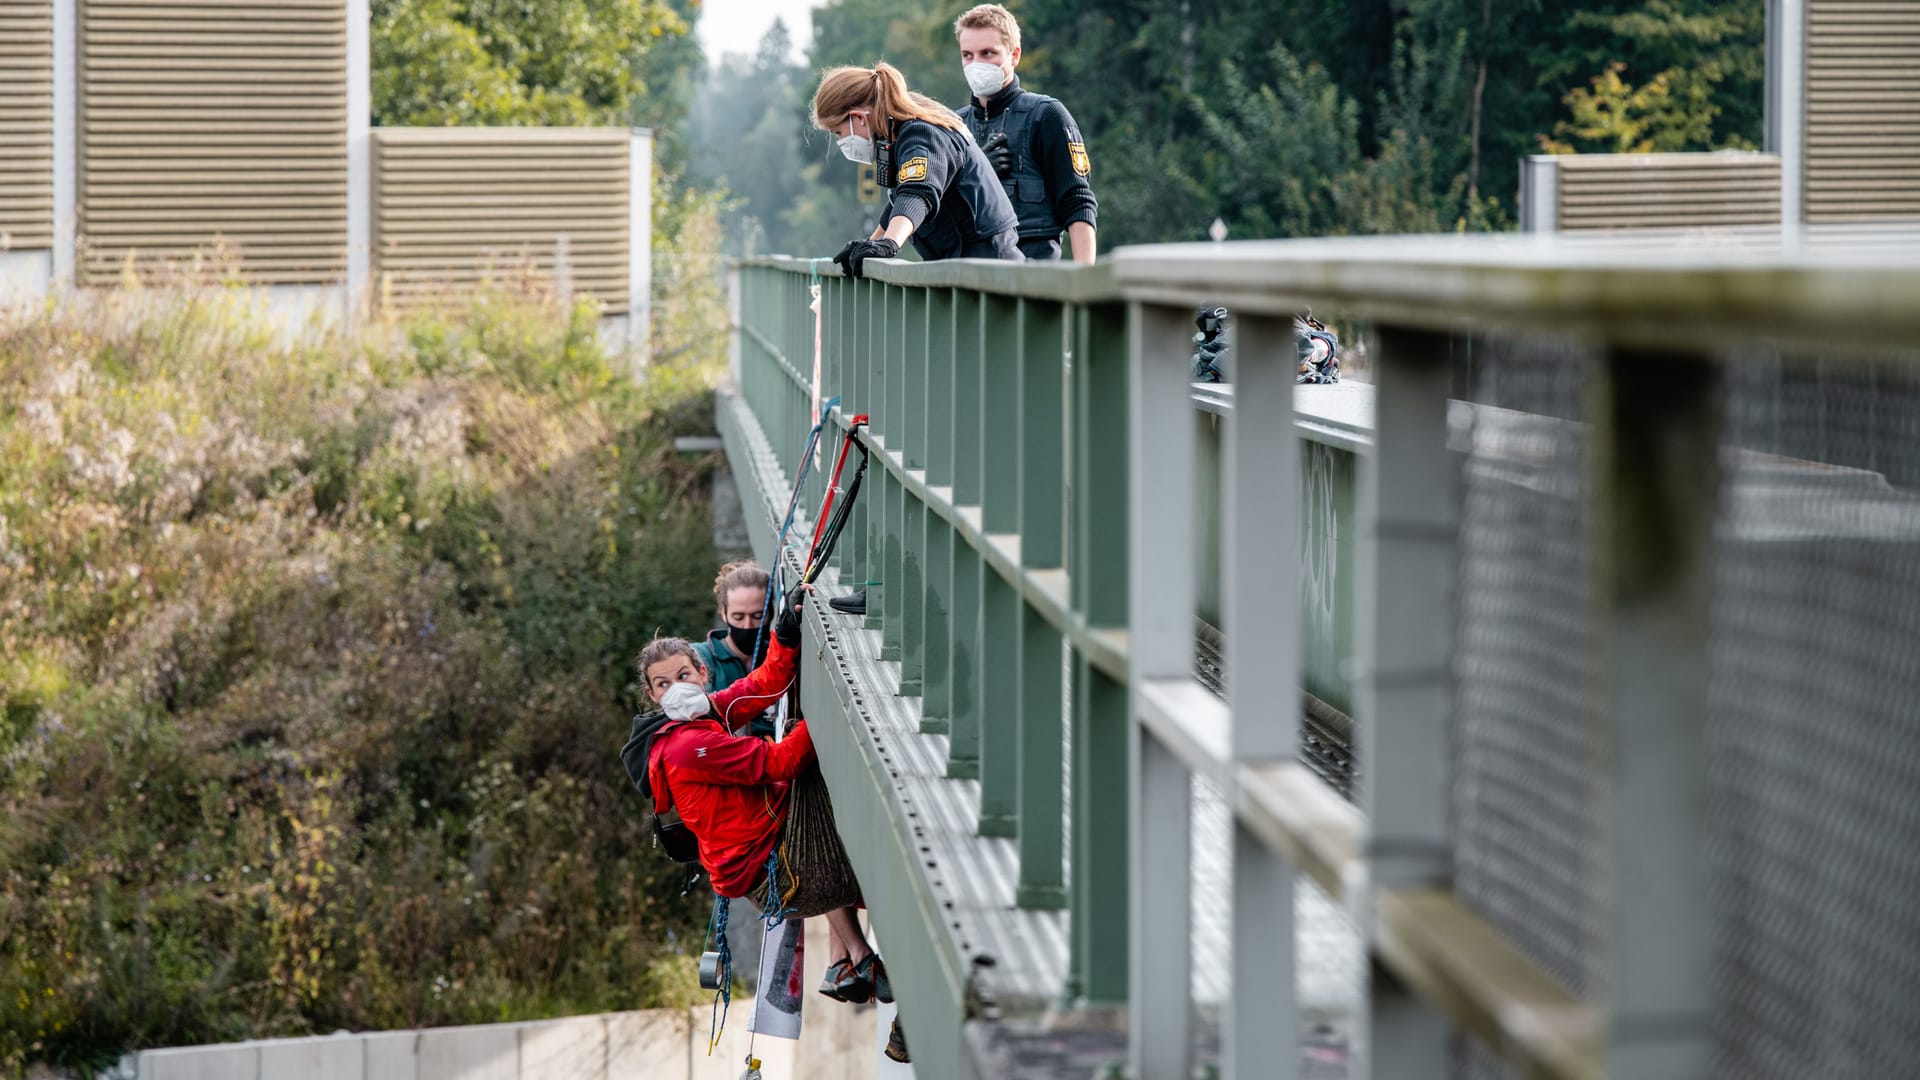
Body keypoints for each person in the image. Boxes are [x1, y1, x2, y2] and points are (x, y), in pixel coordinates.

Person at [624, 597, 909, 1060]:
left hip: (775, 848)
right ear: (653, 697)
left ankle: (854, 959)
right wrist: (831, 709)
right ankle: (858, 960)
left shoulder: (709, 713)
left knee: (804, 752)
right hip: (777, 872)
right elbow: (783, 759)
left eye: (682, 675)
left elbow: (762, 685)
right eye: (662, 684)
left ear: (702, 671)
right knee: (809, 765)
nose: (676, 687)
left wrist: (785, 635)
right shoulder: (686, 747)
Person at [813, 63, 1022, 279]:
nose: (840, 141)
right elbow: (900, 197)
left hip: (988, 272)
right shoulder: (902, 131)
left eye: (838, 132)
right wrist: (871, 243)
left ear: (858, 117)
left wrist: (889, 243)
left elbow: (917, 192)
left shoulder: (921, 133)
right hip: (967, 269)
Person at [953, 4, 1099, 264]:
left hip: (1033, 279)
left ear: (1015, 55)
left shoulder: (1046, 115)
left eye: (988, 53)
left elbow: (1077, 201)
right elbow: (928, 205)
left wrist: (1083, 283)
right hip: (969, 282)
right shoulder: (953, 127)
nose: (976, 64)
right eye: (967, 55)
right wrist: (976, 172)